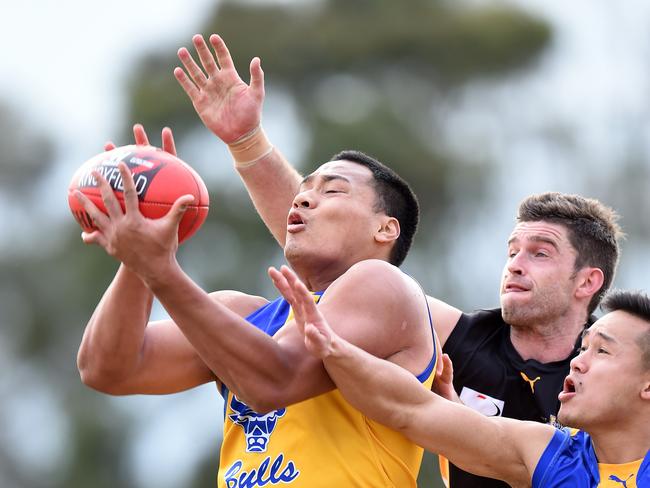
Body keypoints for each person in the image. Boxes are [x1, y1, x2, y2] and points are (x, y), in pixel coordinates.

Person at [173, 33, 624, 486]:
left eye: (540, 253)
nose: (516, 264)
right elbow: (340, 256)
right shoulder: (461, 338)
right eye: (512, 250)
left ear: (587, 282)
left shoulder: (610, 368)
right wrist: (247, 144)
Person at [75, 133, 439, 485]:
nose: (303, 200)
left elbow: (274, 381)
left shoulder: (385, 286)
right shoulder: (243, 315)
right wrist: (140, 249)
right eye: (302, 191)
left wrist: (161, 271)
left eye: (332, 190)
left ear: (385, 229)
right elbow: (107, 368)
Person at [277, 269, 650, 487]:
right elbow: (410, 409)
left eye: (602, 351)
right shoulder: (552, 452)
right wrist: (334, 349)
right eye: (582, 348)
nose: (577, 363)